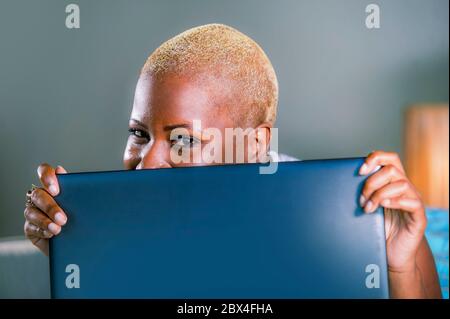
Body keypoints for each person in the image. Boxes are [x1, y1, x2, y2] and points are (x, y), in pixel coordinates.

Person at [23, 24, 441, 298]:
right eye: (138, 134)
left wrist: (399, 264)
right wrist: (74, 259)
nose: (147, 164)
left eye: (183, 139)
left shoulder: (359, 218)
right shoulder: (111, 220)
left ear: (254, 144)